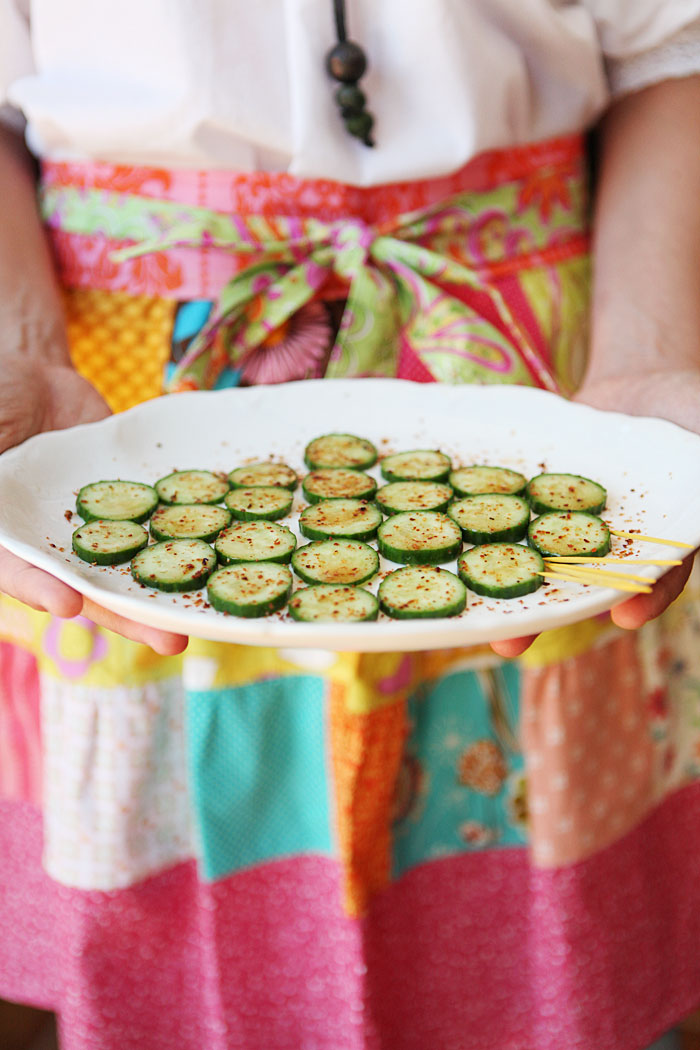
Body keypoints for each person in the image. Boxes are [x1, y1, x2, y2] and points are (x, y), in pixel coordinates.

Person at [0, 3, 699, 1049]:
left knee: (531, 914)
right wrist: (15, 340)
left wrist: (649, 352)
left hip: (546, 397)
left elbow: (673, 48)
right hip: (123, 408)